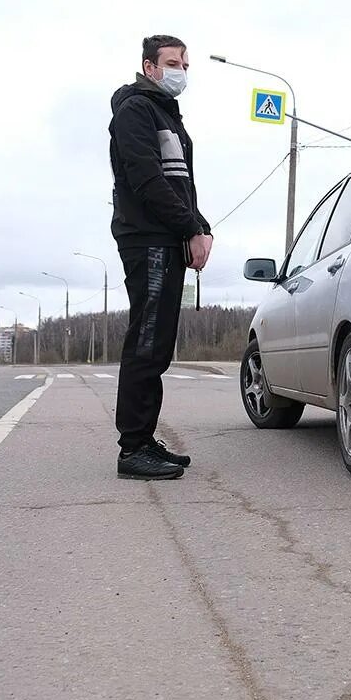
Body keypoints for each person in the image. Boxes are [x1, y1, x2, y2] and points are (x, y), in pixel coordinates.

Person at [109, 35, 214, 480]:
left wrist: (200, 224)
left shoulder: (165, 114)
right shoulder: (135, 111)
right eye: (172, 63)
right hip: (147, 238)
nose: (181, 71)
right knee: (147, 343)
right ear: (149, 67)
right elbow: (148, 180)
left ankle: (145, 438)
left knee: (158, 347)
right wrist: (189, 226)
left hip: (165, 238)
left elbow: (179, 185)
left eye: (185, 64)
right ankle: (132, 449)